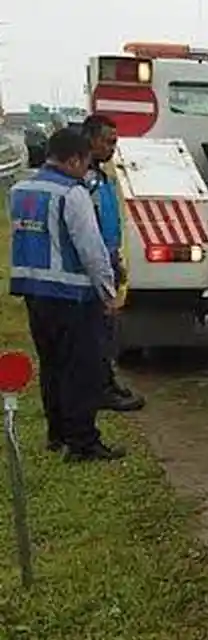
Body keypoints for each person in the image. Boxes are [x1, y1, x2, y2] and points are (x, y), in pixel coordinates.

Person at [8, 127, 125, 462]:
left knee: (52, 365)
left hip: (33, 291)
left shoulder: (20, 189)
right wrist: (107, 292)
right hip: (71, 295)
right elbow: (91, 249)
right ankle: (83, 442)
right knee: (82, 370)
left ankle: (57, 434)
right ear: (74, 159)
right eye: (85, 162)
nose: (86, 170)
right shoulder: (71, 194)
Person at [81, 114, 145, 412]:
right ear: (90, 139)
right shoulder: (85, 180)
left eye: (115, 142)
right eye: (108, 141)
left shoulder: (102, 176)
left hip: (108, 256)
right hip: (93, 266)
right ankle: (100, 388)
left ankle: (106, 382)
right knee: (97, 332)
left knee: (107, 329)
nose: (112, 148)